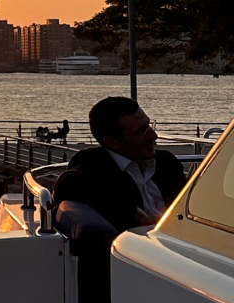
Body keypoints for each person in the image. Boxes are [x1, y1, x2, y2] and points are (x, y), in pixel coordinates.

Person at [54, 96, 186, 232]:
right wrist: (134, 213)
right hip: (137, 247)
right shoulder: (96, 166)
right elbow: (67, 184)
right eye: (142, 131)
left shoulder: (166, 162)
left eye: (149, 126)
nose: (153, 136)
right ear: (113, 142)